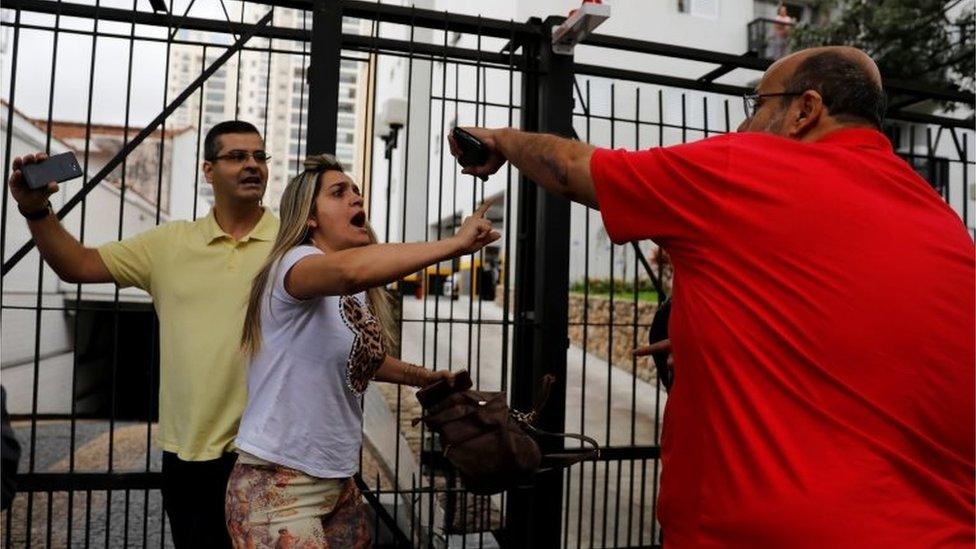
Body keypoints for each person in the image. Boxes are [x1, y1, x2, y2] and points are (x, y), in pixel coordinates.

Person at [449, 46, 975, 547]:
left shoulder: (744, 167)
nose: (744, 125)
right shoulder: (943, 221)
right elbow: (865, 333)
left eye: (757, 105)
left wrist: (500, 138)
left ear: (805, 110)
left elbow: (571, 168)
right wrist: (714, 340)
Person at [7, 120, 279, 548]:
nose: (252, 166)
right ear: (207, 170)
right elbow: (76, 265)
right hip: (191, 457)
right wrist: (36, 210)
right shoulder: (169, 244)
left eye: (259, 156)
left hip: (272, 454)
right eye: (237, 156)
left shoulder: (292, 243)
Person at [225, 154, 499, 548]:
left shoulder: (353, 295)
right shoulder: (294, 264)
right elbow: (351, 270)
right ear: (310, 218)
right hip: (279, 483)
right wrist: (454, 245)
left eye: (357, 191)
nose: (356, 198)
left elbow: (361, 359)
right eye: (339, 192)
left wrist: (423, 377)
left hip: (338, 481)